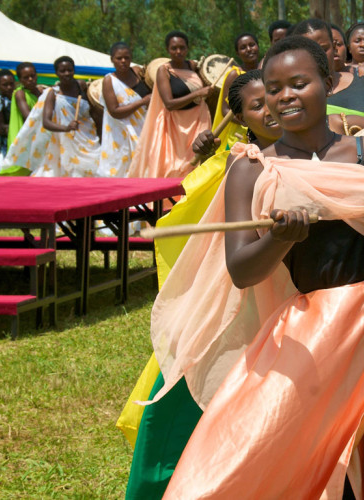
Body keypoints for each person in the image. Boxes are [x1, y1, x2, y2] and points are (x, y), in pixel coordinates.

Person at [146, 36, 364, 499]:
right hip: (310, 333)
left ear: (327, 83)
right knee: (263, 448)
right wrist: (279, 239)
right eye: (274, 89)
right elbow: (242, 270)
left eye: (299, 83)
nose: (285, 96)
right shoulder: (251, 169)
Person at [121, 69, 282, 500]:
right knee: (189, 385)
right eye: (257, 105)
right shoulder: (240, 160)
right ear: (240, 117)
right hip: (228, 290)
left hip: (290, 297)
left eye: (275, 97)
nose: (271, 109)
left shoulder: (316, 154)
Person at [127, 31, 212, 178]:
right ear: (168, 50)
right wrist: (198, 93)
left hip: (199, 119)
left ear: (187, 48)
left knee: (199, 161)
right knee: (172, 168)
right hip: (174, 126)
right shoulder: (164, 71)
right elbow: (169, 104)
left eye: (182, 48)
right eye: (174, 48)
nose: (178, 51)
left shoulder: (192, 66)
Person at [2, 56, 100, 177]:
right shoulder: (53, 94)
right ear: (56, 73)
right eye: (62, 71)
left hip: (89, 138)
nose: (67, 73)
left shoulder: (81, 86)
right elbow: (46, 122)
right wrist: (66, 128)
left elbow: (93, 110)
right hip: (66, 141)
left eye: (69, 70)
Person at [289, 18, 364, 122]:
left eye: (324, 49)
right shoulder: (290, 95)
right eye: (309, 52)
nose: (318, 56)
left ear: (334, 47)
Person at [96, 42, 151, 177]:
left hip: (144, 129)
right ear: (112, 60)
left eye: (127, 58)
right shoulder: (109, 81)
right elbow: (114, 111)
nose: (123, 61)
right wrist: (142, 102)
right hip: (120, 136)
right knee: (122, 171)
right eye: (119, 58)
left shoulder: (137, 73)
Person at [209, 32, 261, 153]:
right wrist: (251, 122)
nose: (249, 49)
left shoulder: (265, 70)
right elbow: (225, 109)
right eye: (243, 47)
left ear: (258, 46)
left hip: (263, 130)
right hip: (239, 134)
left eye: (252, 45)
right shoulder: (234, 74)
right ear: (237, 53)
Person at [7, 62, 42, 149]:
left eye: (33, 76)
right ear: (20, 80)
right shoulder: (20, 94)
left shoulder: (42, 92)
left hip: (39, 135)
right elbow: (29, 117)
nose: (30, 79)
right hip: (26, 138)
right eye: (26, 77)